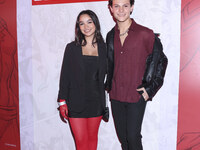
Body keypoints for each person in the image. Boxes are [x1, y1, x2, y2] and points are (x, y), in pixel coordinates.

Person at [105, 0, 168, 150]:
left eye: (125, 5)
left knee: (133, 137)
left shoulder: (145, 34)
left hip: (136, 94)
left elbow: (162, 60)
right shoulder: (109, 36)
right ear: (111, 9)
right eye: (116, 6)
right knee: (124, 139)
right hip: (116, 95)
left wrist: (150, 89)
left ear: (132, 7)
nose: (121, 10)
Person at [57, 10, 107, 150]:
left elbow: (112, 72)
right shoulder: (72, 48)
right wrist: (62, 101)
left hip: (96, 102)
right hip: (75, 103)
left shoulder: (104, 48)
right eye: (81, 23)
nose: (86, 26)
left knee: (92, 142)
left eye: (89, 22)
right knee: (81, 143)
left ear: (95, 23)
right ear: (78, 27)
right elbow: (64, 76)